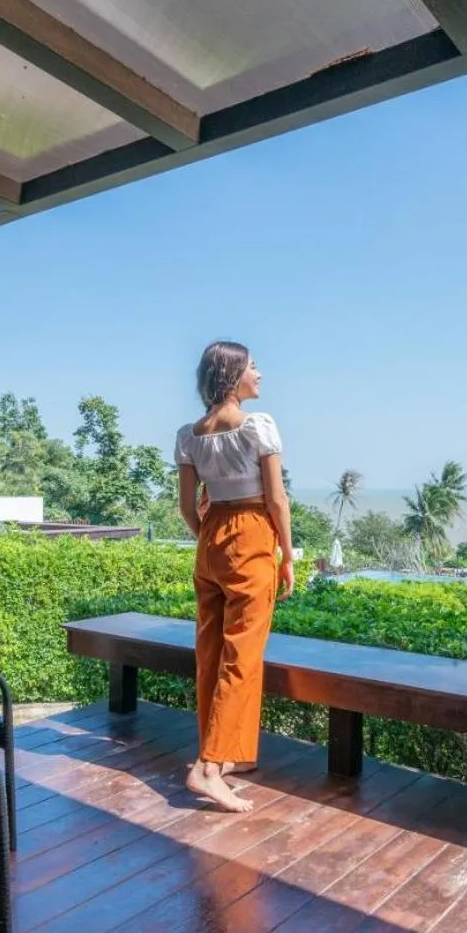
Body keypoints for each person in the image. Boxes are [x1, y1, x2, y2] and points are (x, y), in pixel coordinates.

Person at [174, 341, 295, 812]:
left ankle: (228, 754)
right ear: (232, 377)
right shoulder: (257, 428)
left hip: (211, 538)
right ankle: (208, 767)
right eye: (252, 367)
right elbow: (276, 499)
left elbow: (188, 507)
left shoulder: (190, 434)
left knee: (211, 652)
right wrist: (287, 553)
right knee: (242, 655)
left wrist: (209, 535)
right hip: (251, 536)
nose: (259, 374)